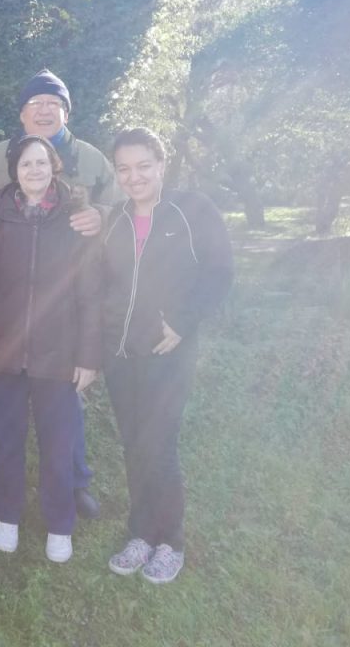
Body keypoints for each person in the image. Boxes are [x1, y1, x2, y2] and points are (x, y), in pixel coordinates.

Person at [0, 68, 117, 520]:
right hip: (11, 307)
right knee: (8, 411)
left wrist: (102, 215)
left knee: (65, 404)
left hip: (70, 301)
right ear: (22, 114)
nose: (44, 110)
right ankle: (9, 489)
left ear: (67, 111)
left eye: (54, 103)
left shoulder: (91, 160)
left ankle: (73, 482)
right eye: (35, 103)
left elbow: (125, 207)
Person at [0, 137, 101, 561]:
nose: (34, 170)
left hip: (58, 355)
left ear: (53, 167)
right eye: (26, 164)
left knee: (59, 443)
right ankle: (7, 515)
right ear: (14, 170)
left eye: (42, 163)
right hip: (3, 352)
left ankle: (60, 524)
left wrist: (89, 357)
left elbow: (90, 293)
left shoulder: (76, 218)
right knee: (6, 439)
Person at [101, 127, 233, 584]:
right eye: (123, 169)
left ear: (161, 164)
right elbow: (102, 281)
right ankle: (140, 532)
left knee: (159, 444)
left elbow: (220, 274)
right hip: (121, 354)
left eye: (142, 166)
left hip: (167, 353)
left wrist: (183, 321)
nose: (133, 177)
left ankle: (170, 540)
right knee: (133, 442)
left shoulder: (192, 210)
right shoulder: (115, 217)